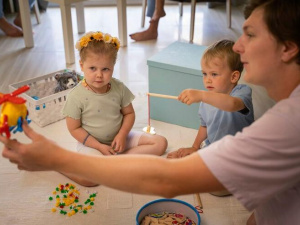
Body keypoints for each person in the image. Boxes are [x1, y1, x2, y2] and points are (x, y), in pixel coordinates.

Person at [1, 0, 300, 224]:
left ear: (287, 49)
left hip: (124, 143)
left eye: (249, 34)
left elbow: (164, 180)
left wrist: (55, 157)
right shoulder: (282, 111)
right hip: (99, 145)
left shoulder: (285, 124)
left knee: (166, 151)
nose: (238, 46)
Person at [61, 31, 167, 186]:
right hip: (92, 144)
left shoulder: (118, 88)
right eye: (92, 68)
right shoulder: (76, 96)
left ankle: (116, 162)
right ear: (82, 66)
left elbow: (129, 113)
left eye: (105, 69)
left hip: (120, 138)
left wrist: (122, 135)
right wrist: (98, 146)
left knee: (160, 143)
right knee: (90, 180)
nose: (99, 75)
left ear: (113, 67)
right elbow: (74, 128)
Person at [167, 39, 254, 161]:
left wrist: (202, 95)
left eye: (214, 74)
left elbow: (232, 104)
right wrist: (195, 147)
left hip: (240, 152)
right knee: (193, 163)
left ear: (234, 76)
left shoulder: (242, 92)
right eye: (204, 74)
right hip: (214, 149)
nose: (207, 80)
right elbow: (205, 126)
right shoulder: (207, 100)